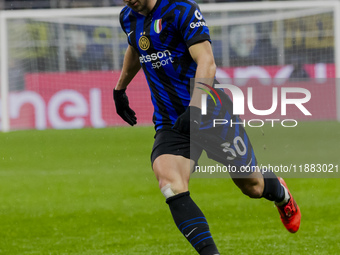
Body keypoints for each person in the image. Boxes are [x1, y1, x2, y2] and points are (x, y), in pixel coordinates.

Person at [114, 0, 301, 254]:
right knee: (170, 182)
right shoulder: (128, 17)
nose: (129, 0)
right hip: (171, 120)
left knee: (253, 186)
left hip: (211, 112)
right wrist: (120, 87)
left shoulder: (181, 9)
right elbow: (136, 46)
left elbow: (207, 62)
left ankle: (281, 194)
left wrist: (195, 108)